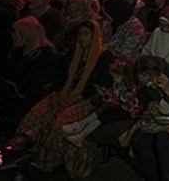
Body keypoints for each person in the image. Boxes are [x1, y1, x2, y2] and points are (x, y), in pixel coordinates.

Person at [14, 19, 112, 178]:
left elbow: (101, 84)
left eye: (87, 34)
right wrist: (60, 94)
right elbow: (60, 76)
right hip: (64, 93)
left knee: (61, 122)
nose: (83, 38)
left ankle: (57, 163)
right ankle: (32, 155)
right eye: (80, 34)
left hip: (86, 97)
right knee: (37, 115)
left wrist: (77, 96)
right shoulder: (74, 53)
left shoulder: (103, 56)